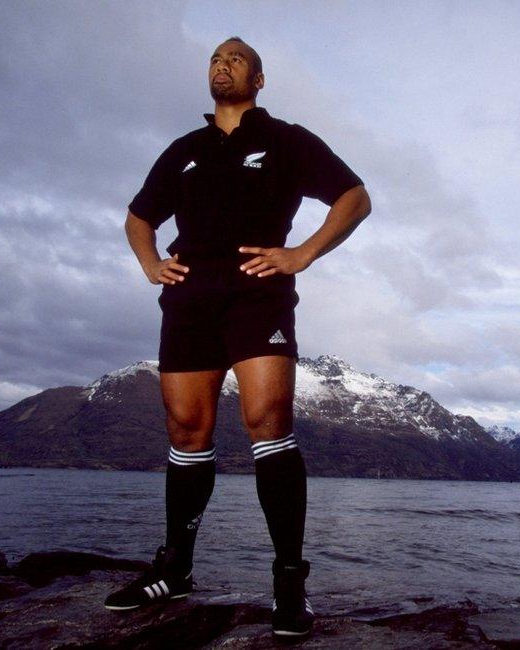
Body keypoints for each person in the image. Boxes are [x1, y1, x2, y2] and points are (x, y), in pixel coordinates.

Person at [103, 36, 371, 639]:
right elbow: (139, 217)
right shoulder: (186, 149)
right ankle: (174, 571)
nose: (222, 66)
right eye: (215, 60)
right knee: (186, 431)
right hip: (189, 301)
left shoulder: (287, 140)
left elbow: (355, 198)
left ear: (259, 78)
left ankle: (289, 584)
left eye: (236, 59)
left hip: (258, 294)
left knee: (267, 422)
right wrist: (150, 264)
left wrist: (302, 252)